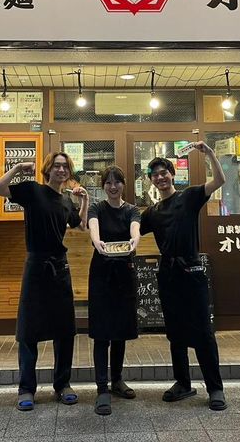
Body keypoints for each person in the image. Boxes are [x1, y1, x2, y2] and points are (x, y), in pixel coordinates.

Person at [0, 152, 88, 411]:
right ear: (48, 169)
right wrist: (17, 167)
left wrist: (85, 200)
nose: (61, 170)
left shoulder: (66, 200)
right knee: (28, 330)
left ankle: (63, 384)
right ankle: (26, 388)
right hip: (36, 265)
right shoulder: (33, 191)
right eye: (56, 166)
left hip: (60, 267)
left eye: (65, 166)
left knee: (65, 329)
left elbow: (80, 225)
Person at [139, 141, 228, 411]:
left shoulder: (189, 196)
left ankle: (215, 388)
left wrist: (209, 153)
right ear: (151, 181)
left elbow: (219, 181)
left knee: (203, 332)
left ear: (172, 174)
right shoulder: (152, 212)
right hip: (168, 275)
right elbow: (129, 228)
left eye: (164, 172)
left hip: (192, 271)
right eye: (155, 175)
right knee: (175, 332)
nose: (160, 177)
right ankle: (183, 383)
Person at [86, 166, 141, 416]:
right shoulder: (97, 208)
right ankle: (102, 389)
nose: (112, 186)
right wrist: (96, 241)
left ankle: (117, 380)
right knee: (101, 332)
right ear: (103, 186)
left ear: (123, 184)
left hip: (124, 272)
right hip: (101, 273)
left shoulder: (132, 210)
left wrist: (134, 241)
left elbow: (135, 229)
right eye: (107, 182)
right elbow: (93, 227)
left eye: (116, 182)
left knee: (120, 330)